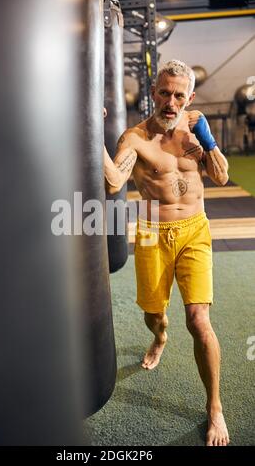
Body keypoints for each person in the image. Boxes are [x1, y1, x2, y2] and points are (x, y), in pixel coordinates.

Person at [103, 60, 230, 447]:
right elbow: (112, 183)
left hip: (195, 230)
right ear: (153, 93)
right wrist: (90, 133)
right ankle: (159, 337)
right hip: (151, 234)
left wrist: (208, 141)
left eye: (179, 95)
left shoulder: (195, 136)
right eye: (164, 92)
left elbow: (221, 176)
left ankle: (214, 408)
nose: (171, 101)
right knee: (154, 315)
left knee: (198, 320)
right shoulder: (136, 139)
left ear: (189, 98)